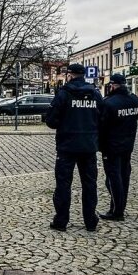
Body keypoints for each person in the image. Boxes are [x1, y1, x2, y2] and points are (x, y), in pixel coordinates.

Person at [45, 63, 104, 232]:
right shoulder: (95, 93)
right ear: (83, 75)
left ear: (70, 75)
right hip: (89, 146)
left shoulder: (64, 93)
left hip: (67, 146)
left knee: (63, 184)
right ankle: (90, 221)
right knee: (90, 184)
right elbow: (103, 116)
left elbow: (51, 121)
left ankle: (61, 221)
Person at [98, 73, 138, 221]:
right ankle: (118, 207)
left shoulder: (109, 103)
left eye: (111, 85)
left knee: (112, 178)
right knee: (124, 176)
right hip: (128, 145)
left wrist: (100, 145)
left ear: (114, 85)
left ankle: (117, 211)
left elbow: (102, 127)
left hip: (111, 147)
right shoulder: (135, 101)